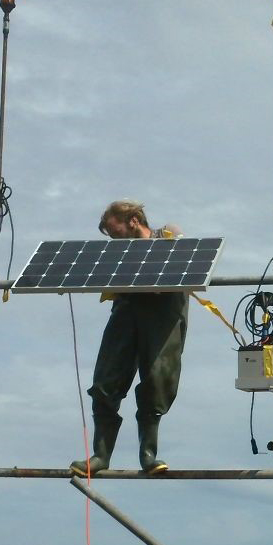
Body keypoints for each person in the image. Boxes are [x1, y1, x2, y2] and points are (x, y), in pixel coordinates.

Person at [72, 199, 187, 476]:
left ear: (134, 220)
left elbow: (183, 265)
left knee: (158, 380)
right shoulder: (117, 254)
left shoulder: (167, 235)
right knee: (105, 381)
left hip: (162, 319)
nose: (114, 240)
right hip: (126, 314)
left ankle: (148, 454)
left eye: (117, 232)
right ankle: (100, 455)